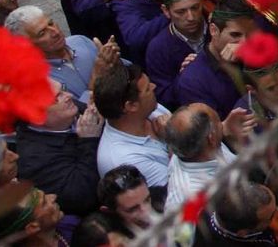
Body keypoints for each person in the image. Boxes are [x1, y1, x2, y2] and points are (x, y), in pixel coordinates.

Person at [15, 84, 105, 216]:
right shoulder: (34, 161)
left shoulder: (66, 110)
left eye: (63, 89)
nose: (69, 96)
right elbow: (82, 196)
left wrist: (101, 109)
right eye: (57, 97)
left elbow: (97, 117)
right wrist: (89, 141)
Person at [93, 63, 171, 191]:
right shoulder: (125, 160)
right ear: (131, 106)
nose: (154, 86)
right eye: (147, 89)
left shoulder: (151, 109)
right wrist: (174, 141)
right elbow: (179, 189)